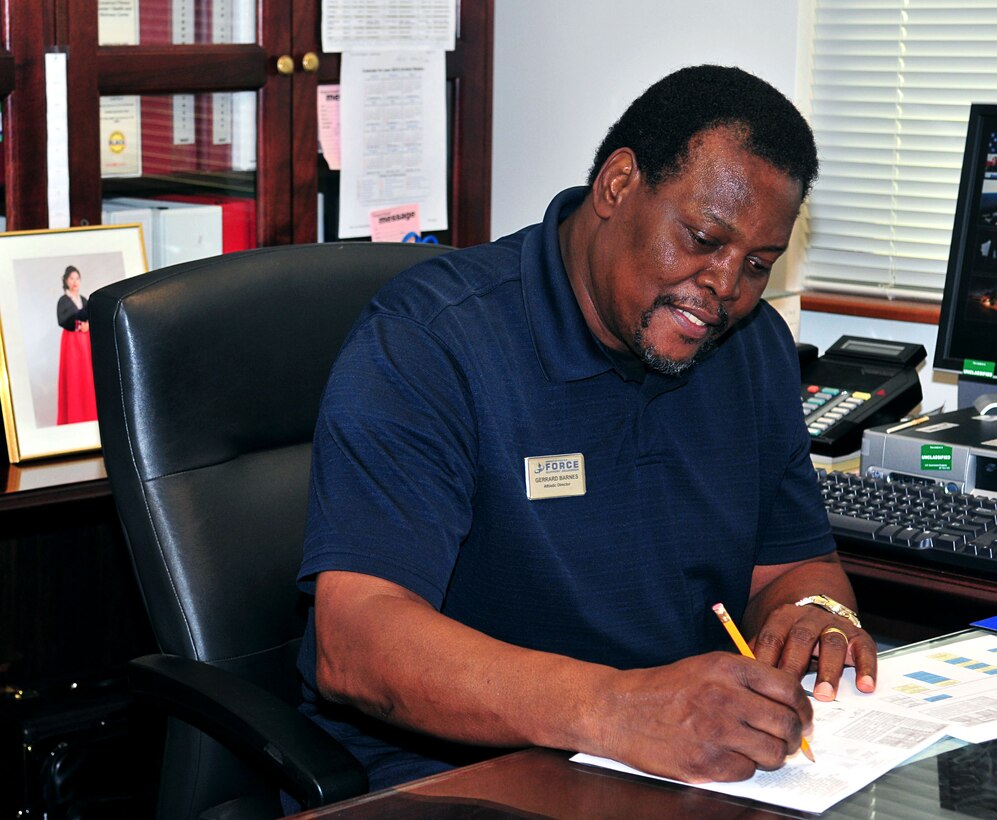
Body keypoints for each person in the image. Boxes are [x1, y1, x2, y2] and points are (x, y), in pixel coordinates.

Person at [295, 64, 879, 794]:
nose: (726, 287)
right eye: (701, 238)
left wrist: (812, 614)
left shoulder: (750, 345)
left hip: (678, 766)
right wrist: (618, 710)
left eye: (757, 264)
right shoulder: (429, 340)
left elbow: (792, 567)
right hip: (458, 776)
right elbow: (356, 645)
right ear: (616, 185)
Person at [56, 264, 98, 425]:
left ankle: (90, 415)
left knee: (88, 375)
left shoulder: (84, 300)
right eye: (71, 278)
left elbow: (92, 315)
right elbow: (62, 320)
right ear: (66, 281)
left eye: (77, 278)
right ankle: (74, 416)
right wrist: (79, 325)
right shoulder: (63, 301)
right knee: (74, 375)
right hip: (72, 342)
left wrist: (88, 325)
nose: (75, 281)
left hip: (85, 341)